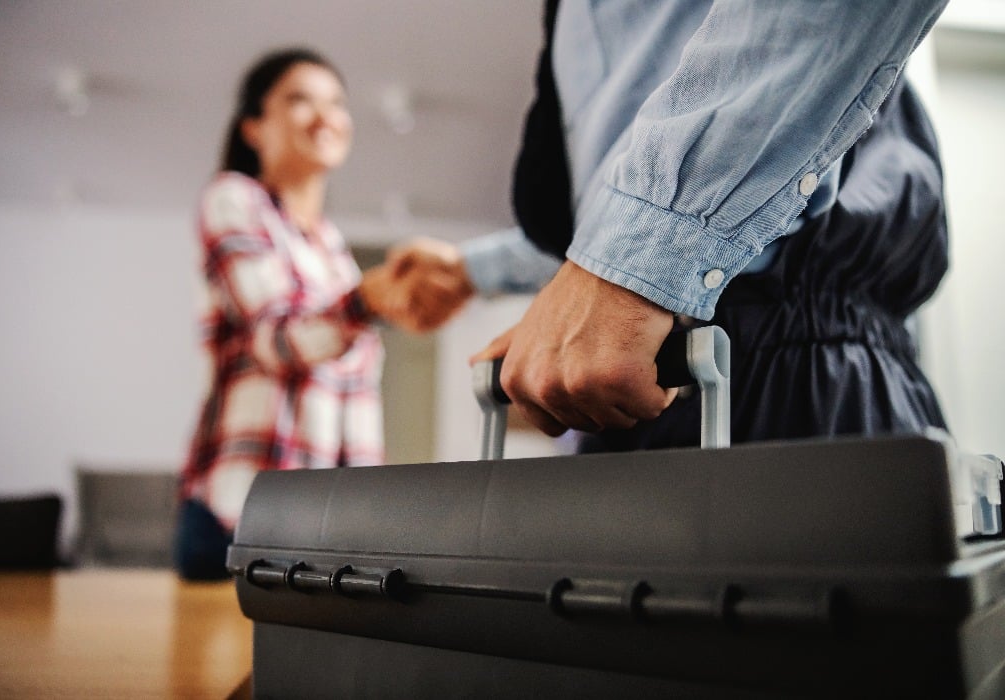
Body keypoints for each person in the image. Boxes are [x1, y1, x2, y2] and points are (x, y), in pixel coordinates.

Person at [393, 0, 952, 451]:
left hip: (798, 371)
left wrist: (631, 266)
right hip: (634, 391)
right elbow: (617, 210)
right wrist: (472, 270)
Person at [174, 48, 464, 581]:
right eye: (300, 100)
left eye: (336, 102)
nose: (326, 115)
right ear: (254, 128)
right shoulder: (232, 200)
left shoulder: (331, 248)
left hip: (319, 529)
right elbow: (278, 341)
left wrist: (367, 518)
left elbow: (353, 397)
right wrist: (371, 300)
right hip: (240, 517)